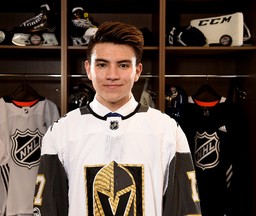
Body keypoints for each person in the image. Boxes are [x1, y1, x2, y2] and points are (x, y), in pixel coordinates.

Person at [33, 21, 202, 216]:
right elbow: (47, 210)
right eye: (102, 64)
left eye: (123, 65)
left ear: (137, 71)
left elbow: (185, 209)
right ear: (88, 69)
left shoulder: (167, 130)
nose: (112, 75)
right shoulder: (62, 131)